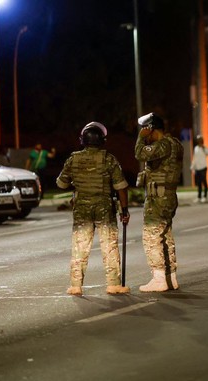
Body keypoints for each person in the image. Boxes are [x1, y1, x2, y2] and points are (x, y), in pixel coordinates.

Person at [56, 122, 130, 296]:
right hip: (104, 208)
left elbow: (61, 183)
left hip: (81, 208)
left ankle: (75, 286)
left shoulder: (73, 159)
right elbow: (121, 187)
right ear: (102, 141)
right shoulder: (108, 159)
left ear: (83, 140)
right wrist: (124, 211)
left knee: (80, 247)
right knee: (109, 246)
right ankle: (113, 285)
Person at [135, 112, 184, 292]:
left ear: (151, 129)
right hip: (168, 195)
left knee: (151, 236)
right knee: (165, 237)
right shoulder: (175, 144)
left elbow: (139, 154)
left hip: (158, 197)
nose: (142, 132)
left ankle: (158, 278)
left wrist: (141, 139)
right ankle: (170, 278)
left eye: (144, 129)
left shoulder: (163, 144)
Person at [190, 135, 208, 203]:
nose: (199, 141)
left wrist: (204, 148)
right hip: (197, 168)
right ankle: (199, 197)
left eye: (200, 140)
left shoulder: (204, 148)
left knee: (204, 182)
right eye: (198, 140)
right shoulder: (196, 148)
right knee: (198, 183)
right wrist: (192, 167)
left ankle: (205, 197)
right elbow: (195, 158)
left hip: (203, 167)